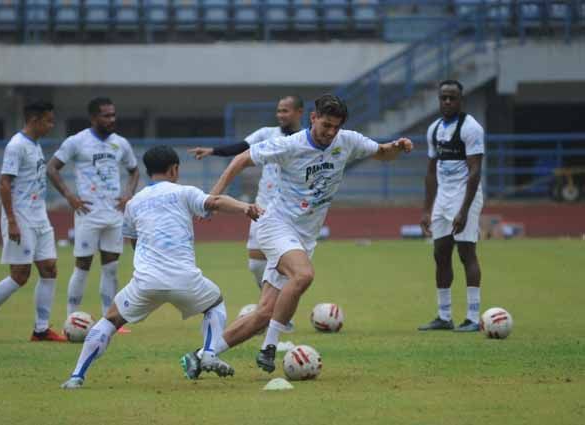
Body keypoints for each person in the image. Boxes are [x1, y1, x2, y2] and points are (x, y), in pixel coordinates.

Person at [183, 94, 413, 374]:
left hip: (304, 235)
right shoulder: (289, 144)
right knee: (304, 275)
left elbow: (382, 153)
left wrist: (398, 147)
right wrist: (211, 200)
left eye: (335, 127)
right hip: (275, 224)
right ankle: (269, 347)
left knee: (264, 312)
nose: (330, 133)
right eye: (325, 125)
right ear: (313, 118)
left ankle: (201, 355)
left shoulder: (347, 140)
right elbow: (240, 160)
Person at [60, 145, 263, 389]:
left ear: (148, 171)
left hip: (146, 281)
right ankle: (209, 351)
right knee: (215, 303)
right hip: (186, 279)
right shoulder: (184, 192)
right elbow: (216, 201)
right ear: (174, 169)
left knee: (110, 320)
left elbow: (134, 241)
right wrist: (245, 208)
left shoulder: (134, 203)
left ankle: (76, 376)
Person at [0, 101, 66, 343]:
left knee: (49, 268)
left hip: (39, 216)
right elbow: (4, 183)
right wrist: (11, 220)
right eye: (48, 121)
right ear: (35, 120)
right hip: (20, 217)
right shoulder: (16, 146)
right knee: (20, 275)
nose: (51, 125)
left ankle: (41, 330)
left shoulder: (35, 145)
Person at [188, 95, 304, 290]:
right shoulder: (268, 133)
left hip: (289, 210)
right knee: (256, 263)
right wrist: (213, 151)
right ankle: (271, 304)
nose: (280, 115)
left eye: (285, 110)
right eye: (278, 110)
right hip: (262, 206)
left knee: (285, 264)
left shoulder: (305, 139)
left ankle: (276, 310)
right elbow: (241, 148)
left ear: (299, 112)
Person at [47, 97, 139, 334]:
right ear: (93, 118)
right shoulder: (77, 142)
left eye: (113, 115)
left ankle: (110, 320)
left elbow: (134, 170)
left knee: (111, 268)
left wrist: (128, 194)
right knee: (83, 266)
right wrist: (69, 195)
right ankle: (71, 320)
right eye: (106, 115)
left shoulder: (121, 144)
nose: (112, 119)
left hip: (114, 214)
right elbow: (52, 168)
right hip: (87, 213)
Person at [418, 80, 485, 332]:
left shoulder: (471, 128)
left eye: (452, 98)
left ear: (461, 100)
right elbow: (430, 172)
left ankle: (472, 317)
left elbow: (475, 170)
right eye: (443, 98)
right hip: (443, 199)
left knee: (466, 253)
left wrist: (464, 211)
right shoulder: (434, 129)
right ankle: (444, 317)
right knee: (440, 254)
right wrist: (426, 209)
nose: (447, 102)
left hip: (465, 196)